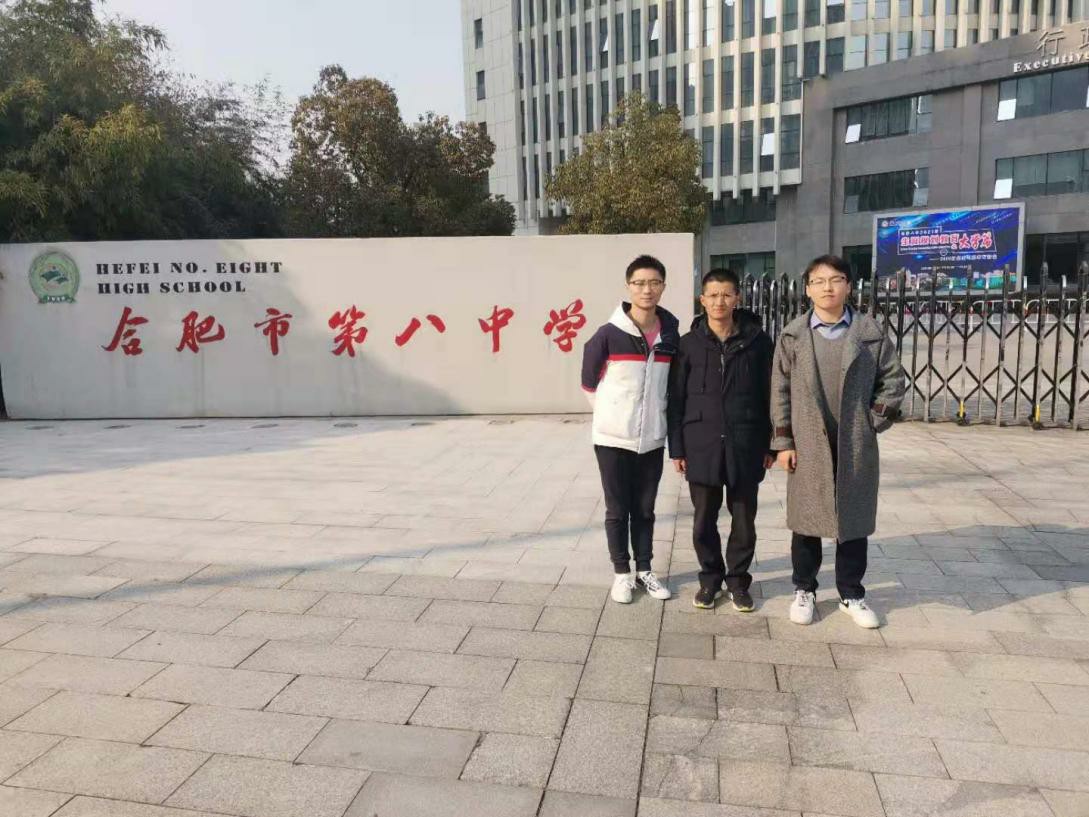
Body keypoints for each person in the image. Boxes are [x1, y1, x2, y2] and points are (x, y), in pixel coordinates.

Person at [770, 254, 906, 629]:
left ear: (848, 286)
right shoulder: (793, 336)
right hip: (807, 440)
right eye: (818, 281)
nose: (827, 288)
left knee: (853, 520)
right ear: (807, 289)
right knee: (806, 520)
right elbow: (779, 389)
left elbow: (893, 380)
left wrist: (872, 420)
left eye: (835, 280)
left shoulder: (869, 333)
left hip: (854, 441)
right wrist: (783, 441)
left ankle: (851, 593)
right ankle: (804, 589)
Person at [667, 269, 774, 611]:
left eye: (726, 294)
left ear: (737, 298)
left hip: (746, 443)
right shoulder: (688, 344)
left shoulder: (758, 342)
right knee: (703, 519)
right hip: (701, 443)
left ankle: (738, 582)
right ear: (702, 300)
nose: (719, 302)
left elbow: (771, 395)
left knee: (743, 520)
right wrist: (677, 448)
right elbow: (676, 399)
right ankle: (710, 580)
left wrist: (771, 444)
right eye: (712, 295)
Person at [581, 255, 680, 604]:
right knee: (617, 509)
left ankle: (645, 570)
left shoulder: (670, 335)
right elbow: (588, 384)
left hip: (651, 439)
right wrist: (614, 417)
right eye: (639, 283)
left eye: (654, 282)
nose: (646, 289)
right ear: (628, 287)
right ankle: (622, 573)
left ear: (663, 286)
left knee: (645, 509)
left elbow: (671, 387)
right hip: (612, 439)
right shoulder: (607, 335)